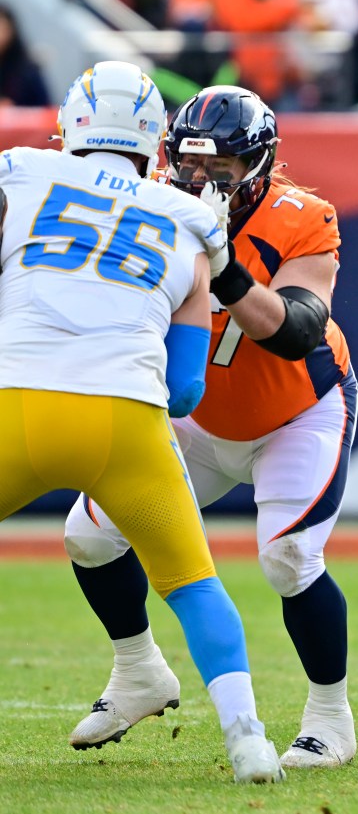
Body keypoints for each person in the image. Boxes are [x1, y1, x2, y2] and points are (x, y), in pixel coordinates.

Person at [0, 61, 282, 782]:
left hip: (19, 405)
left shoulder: (20, 173)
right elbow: (185, 389)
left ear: (70, 128)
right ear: (158, 141)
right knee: (193, 582)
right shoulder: (190, 221)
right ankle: (248, 741)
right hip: (127, 421)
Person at [62, 85, 358, 769]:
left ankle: (330, 716)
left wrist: (223, 264)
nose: (200, 181)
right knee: (89, 536)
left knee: (289, 557)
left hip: (296, 411)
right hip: (196, 417)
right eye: (189, 165)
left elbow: (296, 331)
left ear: (258, 166)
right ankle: (137, 669)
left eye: (219, 168)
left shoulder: (302, 216)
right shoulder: (150, 208)